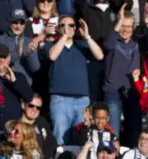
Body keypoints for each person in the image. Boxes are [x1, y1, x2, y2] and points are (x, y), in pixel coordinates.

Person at [44, 15, 104, 145]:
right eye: (63, 25)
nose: (68, 28)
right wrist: (64, 36)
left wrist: (87, 36)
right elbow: (52, 56)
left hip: (82, 101)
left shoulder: (82, 45)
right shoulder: (50, 45)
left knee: (81, 138)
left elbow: (99, 55)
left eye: (71, 25)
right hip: (60, 99)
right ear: (58, 29)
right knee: (60, 139)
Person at [103, 8, 148, 142]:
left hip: (133, 91)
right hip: (113, 91)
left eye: (129, 26)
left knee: (134, 131)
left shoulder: (138, 42)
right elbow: (107, 46)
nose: (125, 29)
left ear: (134, 27)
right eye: (123, 25)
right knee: (113, 131)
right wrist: (118, 23)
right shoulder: (113, 39)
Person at [0, 43, 34, 128]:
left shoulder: (18, 77)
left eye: (4, 57)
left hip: (13, 128)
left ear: (9, 58)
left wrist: (14, 81)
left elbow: (29, 97)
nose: (2, 61)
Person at [0, 8, 41, 86]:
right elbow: (0, 64)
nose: (18, 26)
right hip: (5, 84)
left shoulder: (29, 42)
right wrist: (17, 54)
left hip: (24, 86)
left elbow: (35, 68)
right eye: (15, 22)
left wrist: (30, 54)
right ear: (9, 22)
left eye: (22, 23)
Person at [20, 94, 56, 159]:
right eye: (31, 106)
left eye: (38, 108)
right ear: (23, 105)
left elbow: (51, 142)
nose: (34, 110)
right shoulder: (17, 126)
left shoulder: (41, 121)